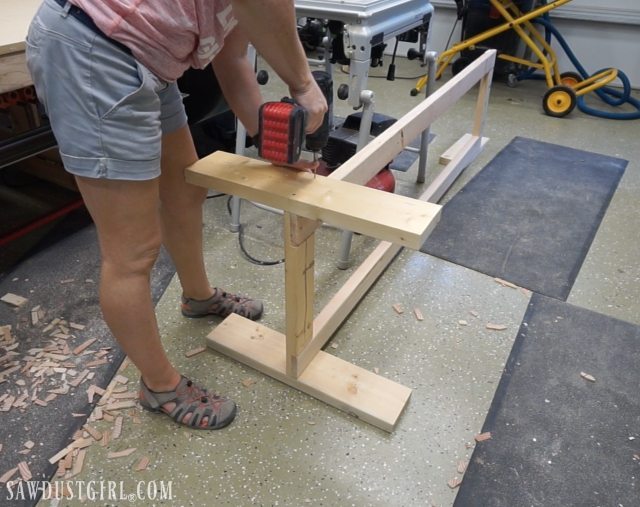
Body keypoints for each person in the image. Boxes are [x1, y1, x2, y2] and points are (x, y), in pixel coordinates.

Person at [26, 0, 327, 430]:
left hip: (149, 60)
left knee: (187, 186)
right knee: (133, 251)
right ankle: (159, 386)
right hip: (94, 47)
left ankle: (198, 297)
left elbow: (234, 57)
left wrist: (271, 144)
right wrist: (302, 84)